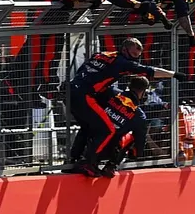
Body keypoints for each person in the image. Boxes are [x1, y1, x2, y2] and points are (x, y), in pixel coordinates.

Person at [63, 37, 185, 171]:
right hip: (84, 96)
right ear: (124, 50)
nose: (134, 60)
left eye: (137, 57)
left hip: (70, 91)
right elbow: (150, 71)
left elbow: (82, 71)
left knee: (87, 127)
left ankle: (71, 160)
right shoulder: (123, 65)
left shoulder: (101, 55)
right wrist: (174, 74)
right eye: (133, 56)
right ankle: (91, 163)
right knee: (107, 130)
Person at [75, 75, 152, 178]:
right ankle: (111, 166)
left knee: (88, 124)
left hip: (89, 140)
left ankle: (75, 158)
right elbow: (140, 140)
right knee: (129, 136)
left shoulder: (111, 92)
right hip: (109, 148)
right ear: (143, 92)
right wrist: (135, 154)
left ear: (129, 85)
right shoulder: (139, 115)